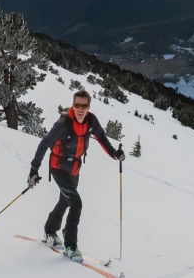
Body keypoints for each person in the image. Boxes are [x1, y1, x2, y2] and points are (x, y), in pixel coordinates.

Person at [27, 90, 125, 263]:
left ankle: (50, 230)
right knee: (76, 203)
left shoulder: (91, 120)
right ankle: (71, 245)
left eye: (84, 105)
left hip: (74, 168)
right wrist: (34, 168)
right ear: (72, 105)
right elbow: (44, 143)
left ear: (88, 107)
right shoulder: (63, 124)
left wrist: (114, 154)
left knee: (65, 201)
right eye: (77, 105)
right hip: (58, 167)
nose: (80, 109)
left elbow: (101, 137)